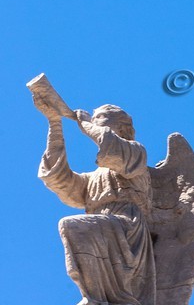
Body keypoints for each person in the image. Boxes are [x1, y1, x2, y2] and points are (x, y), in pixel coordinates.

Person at [38, 100, 156, 305]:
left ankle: (99, 298)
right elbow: (59, 179)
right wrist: (55, 123)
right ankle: (96, 298)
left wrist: (85, 125)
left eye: (100, 117)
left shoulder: (136, 155)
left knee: (73, 226)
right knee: (74, 228)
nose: (94, 121)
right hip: (103, 225)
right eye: (93, 118)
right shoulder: (92, 178)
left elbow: (114, 148)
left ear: (122, 127)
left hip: (127, 225)